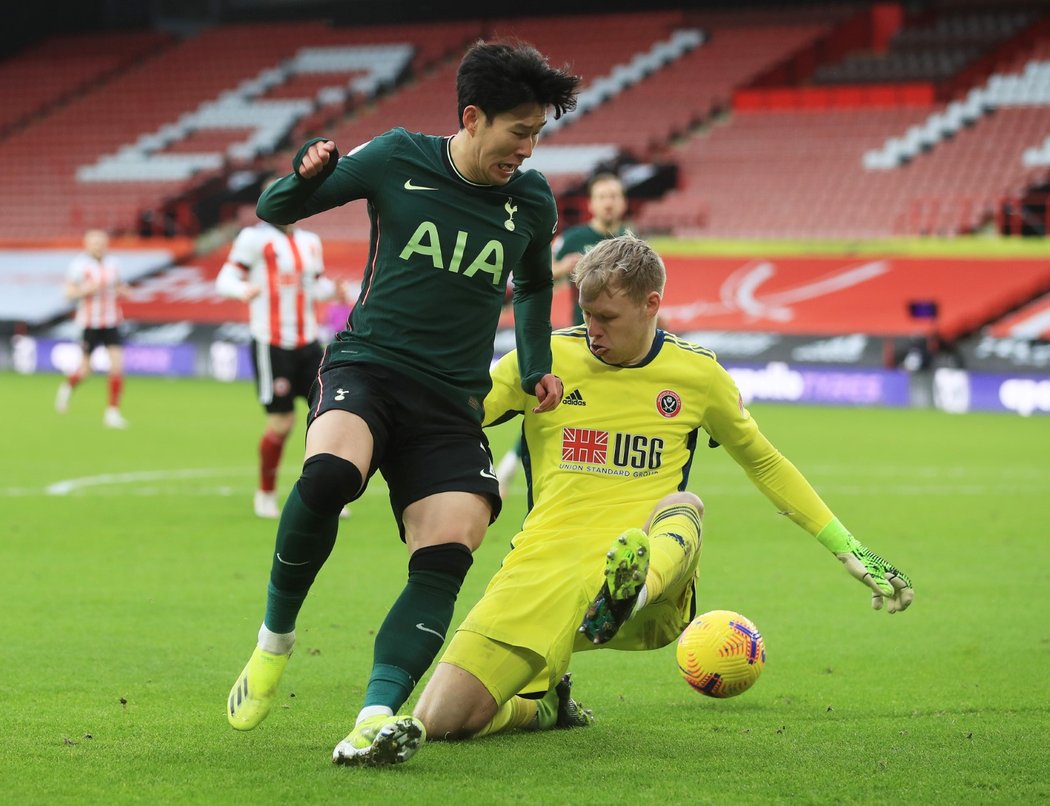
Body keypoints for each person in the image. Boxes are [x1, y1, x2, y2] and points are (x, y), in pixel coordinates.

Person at [225, 39, 581, 766]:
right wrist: (304, 175)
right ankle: (274, 644)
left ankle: (375, 716)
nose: (529, 148)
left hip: (452, 404)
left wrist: (538, 363)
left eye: (539, 134)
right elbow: (275, 209)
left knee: (449, 551)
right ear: (473, 118)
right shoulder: (396, 158)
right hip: (371, 368)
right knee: (328, 477)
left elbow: (537, 284)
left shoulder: (532, 200)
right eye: (520, 131)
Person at [411, 234, 914, 747]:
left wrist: (846, 546)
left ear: (652, 304)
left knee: (683, 505)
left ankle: (623, 596)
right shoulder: (542, 358)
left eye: (607, 317)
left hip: (654, 587)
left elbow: (764, 461)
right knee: (442, 721)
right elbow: (460, 414)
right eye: (586, 314)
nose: (592, 330)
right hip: (544, 569)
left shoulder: (696, 375)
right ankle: (540, 706)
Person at [495, 172, 630, 497]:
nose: (609, 202)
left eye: (614, 196)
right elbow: (539, 275)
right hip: (579, 340)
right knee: (556, 405)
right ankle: (513, 463)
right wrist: (566, 266)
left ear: (623, 202)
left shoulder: (630, 241)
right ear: (592, 204)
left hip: (621, 344)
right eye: (603, 196)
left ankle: (594, 473)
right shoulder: (574, 239)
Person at [215, 217, 353, 519]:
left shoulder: (310, 242)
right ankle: (265, 493)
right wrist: (241, 290)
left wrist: (334, 291)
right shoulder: (253, 239)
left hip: (308, 342)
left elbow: (315, 287)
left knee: (329, 416)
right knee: (282, 423)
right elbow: (224, 279)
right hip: (271, 342)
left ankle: (327, 494)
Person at [55, 229, 131, 428]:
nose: (98, 246)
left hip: (112, 321)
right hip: (89, 323)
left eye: (101, 242)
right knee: (86, 370)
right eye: (95, 243)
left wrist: (123, 291)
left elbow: (123, 288)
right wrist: (86, 290)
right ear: (87, 245)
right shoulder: (79, 266)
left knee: (116, 366)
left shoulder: (114, 264)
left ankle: (112, 412)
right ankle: (67, 388)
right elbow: (68, 293)